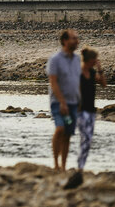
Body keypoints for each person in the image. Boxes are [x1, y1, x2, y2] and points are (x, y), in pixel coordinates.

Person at [47, 29, 81, 172]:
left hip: (73, 103)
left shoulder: (77, 59)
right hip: (58, 103)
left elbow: (78, 81)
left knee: (68, 133)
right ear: (65, 41)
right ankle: (55, 163)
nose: (76, 41)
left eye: (77, 38)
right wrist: (62, 102)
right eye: (73, 38)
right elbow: (53, 82)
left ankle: (63, 166)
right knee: (60, 128)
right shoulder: (55, 60)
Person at [77, 47, 107, 172]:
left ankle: (81, 165)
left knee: (88, 139)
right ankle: (80, 167)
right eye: (95, 59)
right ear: (90, 60)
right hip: (80, 110)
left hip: (91, 110)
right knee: (85, 137)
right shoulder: (78, 73)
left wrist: (100, 69)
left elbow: (104, 84)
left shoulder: (93, 73)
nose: (96, 61)